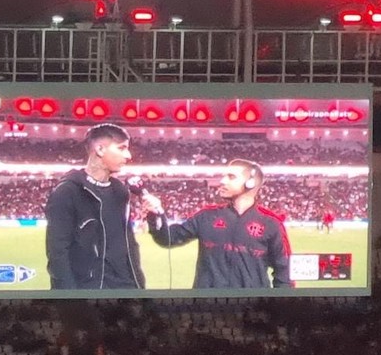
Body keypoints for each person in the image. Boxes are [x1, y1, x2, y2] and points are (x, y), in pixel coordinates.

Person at [142, 159, 291, 288]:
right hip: (208, 307)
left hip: (251, 309)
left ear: (250, 183)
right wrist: (156, 213)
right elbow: (167, 238)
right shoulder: (206, 216)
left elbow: (284, 272)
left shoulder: (271, 224)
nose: (222, 181)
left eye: (231, 177)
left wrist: (278, 308)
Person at [45, 123, 145, 289]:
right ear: (100, 149)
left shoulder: (120, 191)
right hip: (90, 293)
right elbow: (57, 255)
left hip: (126, 291)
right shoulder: (67, 192)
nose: (128, 155)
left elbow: (129, 245)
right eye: (121, 148)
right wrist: (72, 301)